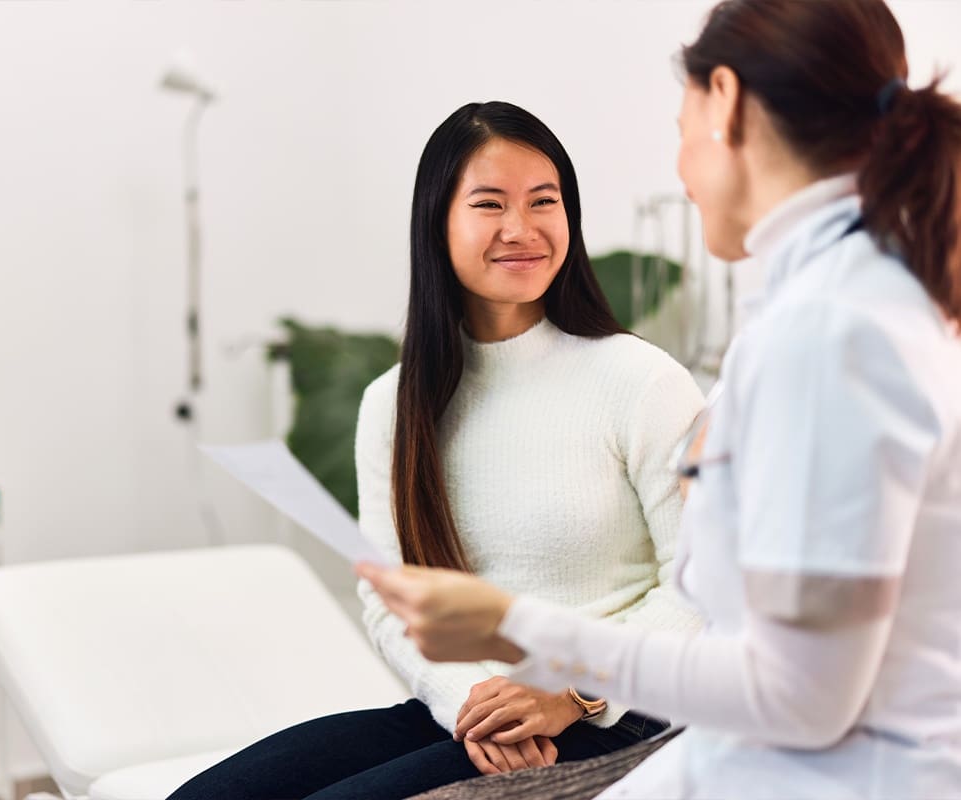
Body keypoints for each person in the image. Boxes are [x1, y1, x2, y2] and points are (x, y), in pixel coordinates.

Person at [359, 1, 961, 798]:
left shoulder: (827, 330)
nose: (679, 166)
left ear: (726, 99)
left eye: (681, 127)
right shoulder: (823, 311)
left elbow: (803, 697)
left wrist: (524, 634)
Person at [167, 101, 704, 800]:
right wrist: (473, 702)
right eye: (489, 204)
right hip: (467, 711)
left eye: (545, 202)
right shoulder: (395, 403)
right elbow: (392, 601)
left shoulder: (641, 382)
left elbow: (701, 586)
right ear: (437, 223)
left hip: (618, 717)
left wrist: (570, 693)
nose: (522, 228)